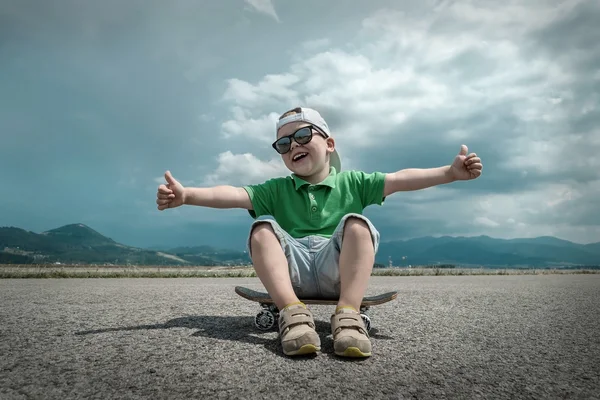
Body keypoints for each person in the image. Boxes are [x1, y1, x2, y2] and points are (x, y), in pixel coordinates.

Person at [156, 106, 483, 358]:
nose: (291, 146)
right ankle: (292, 314)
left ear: (328, 143)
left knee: (357, 224)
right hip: (292, 275)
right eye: (283, 144)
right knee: (261, 228)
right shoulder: (276, 189)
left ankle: (348, 315)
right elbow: (233, 194)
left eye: (301, 136)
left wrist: (449, 173)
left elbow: (401, 178)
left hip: (338, 270)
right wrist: (188, 196)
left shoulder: (354, 182)